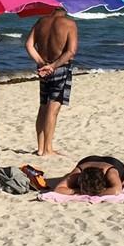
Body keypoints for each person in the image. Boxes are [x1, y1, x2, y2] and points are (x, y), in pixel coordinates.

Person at [25, 8, 78, 156]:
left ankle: (40, 148)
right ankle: (48, 149)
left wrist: (42, 63)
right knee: (52, 109)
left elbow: (29, 45)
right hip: (59, 68)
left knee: (43, 106)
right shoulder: (69, 23)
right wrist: (53, 66)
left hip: (43, 69)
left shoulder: (41, 22)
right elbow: (71, 51)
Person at [49, 155, 124, 197]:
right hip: (88, 161)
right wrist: (77, 191)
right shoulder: (78, 172)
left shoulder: (111, 173)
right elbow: (58, 189)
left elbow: (117, 190)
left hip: (113, 163)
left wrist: (94, 193)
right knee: (70, 177)